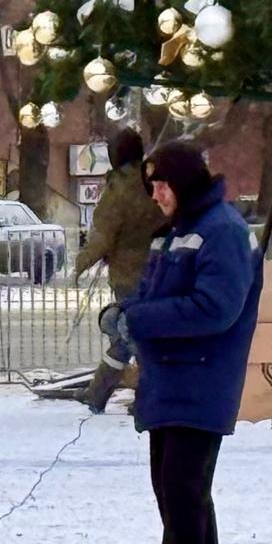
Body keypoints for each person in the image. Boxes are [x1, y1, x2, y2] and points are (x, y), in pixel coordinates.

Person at [119, 141, 263, 544]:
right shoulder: (175, 233)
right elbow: (150, 293)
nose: (156, 195)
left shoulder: (222, 232)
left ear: (183, 183)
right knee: (174, 484)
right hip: (169, 381)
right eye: (152, 186)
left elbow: (216, 309)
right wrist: (122, 314)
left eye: (162, 185)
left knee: (182, 483)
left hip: (203, 379)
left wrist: (140, 321)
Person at [73, 130, 164, 413]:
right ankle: (97, 392)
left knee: (133, 336)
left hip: (129, 273)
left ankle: (147, 397)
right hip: (160, 270)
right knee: (129, 338)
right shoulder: (154, 180)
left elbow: (103, 232)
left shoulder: (121, 188)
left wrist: (81, 264)